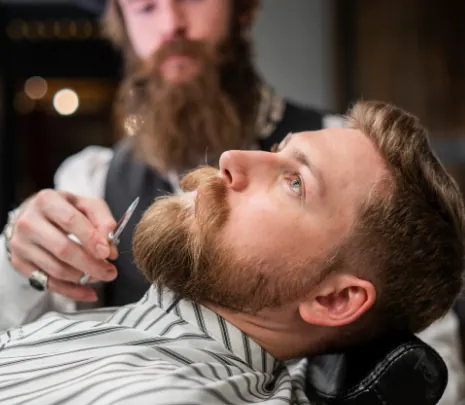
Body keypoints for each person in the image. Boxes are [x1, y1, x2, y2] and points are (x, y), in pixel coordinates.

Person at [0, 0, 463, 403]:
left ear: (241, 9)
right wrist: (21, 262)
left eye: (294, 182)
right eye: (145, 6)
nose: (171, 24)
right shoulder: (93, 177)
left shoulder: (353, 155)